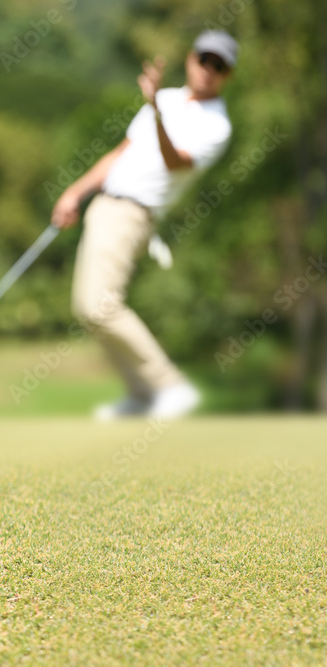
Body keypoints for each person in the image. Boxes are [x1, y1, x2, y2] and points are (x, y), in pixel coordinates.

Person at [51, 30, 238, 420]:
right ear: (191, 59)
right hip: (105, 205)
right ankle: (142, 394)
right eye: (205, 59)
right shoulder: (169, 98)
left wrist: (155, 111)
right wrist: (75, 192)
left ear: (228, 76)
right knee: (87, 310)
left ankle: (168, 386)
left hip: (134, 213)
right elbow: (122, 152)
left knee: (101, 306)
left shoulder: (217, 125)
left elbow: (177, 163)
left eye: (219, 66)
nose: (209, 70)